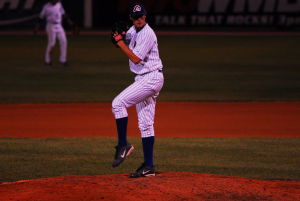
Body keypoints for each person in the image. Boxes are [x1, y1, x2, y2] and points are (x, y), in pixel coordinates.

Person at [111, 2, 164, 178]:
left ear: (145, 16)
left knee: (118, 103)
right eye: (135, 17)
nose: (139, 19)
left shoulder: (148, 33)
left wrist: (119, 43)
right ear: (131, 18)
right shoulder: (134, 30)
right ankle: (149, 166)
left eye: (141, 16)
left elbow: (135, 58)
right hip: (146, 78)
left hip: (151, 78)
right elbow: (123, 39)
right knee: (146, 125)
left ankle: (123, 145)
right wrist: (119, 37)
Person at [35, 0, 73, 66]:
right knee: (52, 43)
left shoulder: (59, 4)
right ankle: (47, 61)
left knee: (64, 41)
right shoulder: (46, 7)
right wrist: (37, 27)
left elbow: (63, 14)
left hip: (59, 25)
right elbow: (40, 17)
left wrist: (70, 22)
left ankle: (63, 60)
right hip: (50, 26)